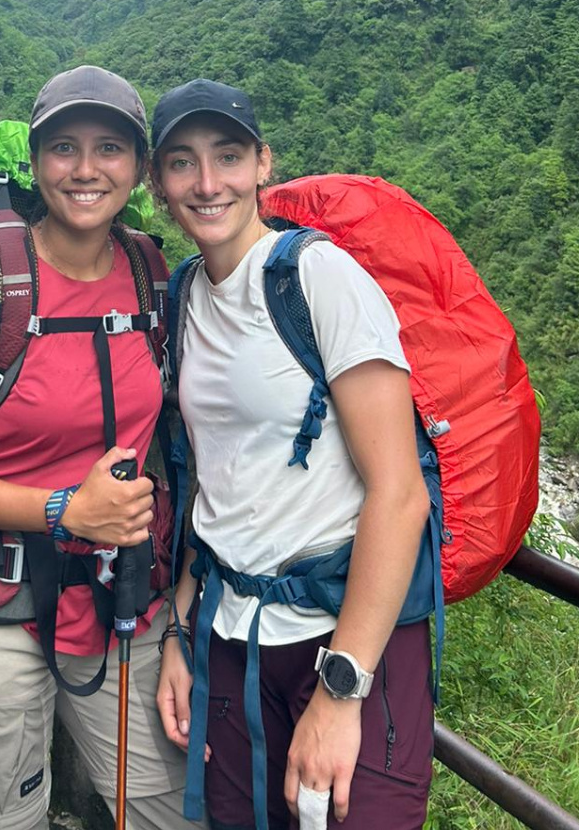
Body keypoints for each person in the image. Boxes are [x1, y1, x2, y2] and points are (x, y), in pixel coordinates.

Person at [0, 65, 197, 830]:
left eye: (110, 148)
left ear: (140, 168)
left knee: (171, 813)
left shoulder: (149, 272)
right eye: (64, 147)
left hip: (123, 600)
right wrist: (69, 509)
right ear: (36, 164)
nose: (87, 169)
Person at [152, 79, 434, 830]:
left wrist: (341, 693)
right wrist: (180, 632)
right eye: (182, 163)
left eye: (228, 156)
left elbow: (400, 495)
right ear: (158, 183)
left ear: (262, 163)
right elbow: (211, 485)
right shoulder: (183, 297)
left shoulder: (318, 280)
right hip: (230, 638)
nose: (207, 183)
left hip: (344, 637)